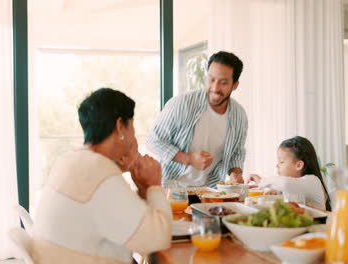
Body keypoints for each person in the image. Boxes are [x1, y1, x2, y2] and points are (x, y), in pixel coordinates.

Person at [32, 88, 172, 264]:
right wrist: (154, 185)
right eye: (132, 125)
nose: (134, 134)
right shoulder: (98, 170)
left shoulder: (70, 161)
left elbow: (133, 227)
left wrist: (144, 188)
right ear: (120, 126)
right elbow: (158, 238)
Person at [146, 51, 248, 187]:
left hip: (208, 192)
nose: (215, 88)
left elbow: (237, 152)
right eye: (211, 79)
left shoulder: (239, 115)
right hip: (169, 187)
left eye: (223, 83)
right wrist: (189, 159)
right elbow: (153, 141)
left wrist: (235, 173)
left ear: (235, 85)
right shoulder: (182, 103)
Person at [248, 136, 331, 211]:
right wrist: (278, 193)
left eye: (281, 162)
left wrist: (261, 181)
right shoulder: (295, 186)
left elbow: (286, 183)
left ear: (298, 165)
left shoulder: (312, 181)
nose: (277, 165)